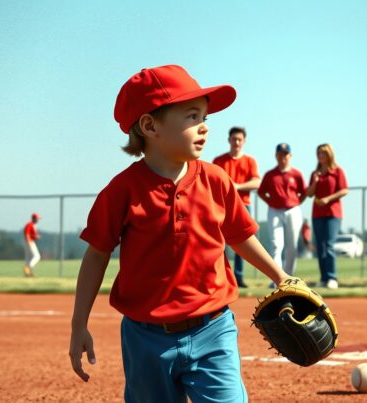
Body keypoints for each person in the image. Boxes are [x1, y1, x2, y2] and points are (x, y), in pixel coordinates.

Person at [68, 65, 294, 402]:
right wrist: (78, 325)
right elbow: (97, 254)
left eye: (204, 117)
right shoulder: (122, 191)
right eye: (192, 116)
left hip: (213, 329)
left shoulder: (216, 180)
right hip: (146, 339)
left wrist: (281, 276)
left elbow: (239, 235)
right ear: (149, 125)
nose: (204, 127)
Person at [213, 126, 261, 288]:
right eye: (234, 139)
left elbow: (256, 182)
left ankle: (239, 277)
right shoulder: (219, 161)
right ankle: (224, 277)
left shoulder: (250, 161)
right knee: (221, 243)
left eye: (240, 139)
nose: (237, 142)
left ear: (244, 141)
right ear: (229, 140)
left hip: (243, 206)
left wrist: (237, 187)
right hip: (221, 206)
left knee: (243, 243)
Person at [258, 143, 306, 279]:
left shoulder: (296, 174)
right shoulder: (270, 174)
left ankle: (288, 277)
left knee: (292, 247)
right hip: (275, 211)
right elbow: (261, 192)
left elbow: (303, 192)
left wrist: (296, 203)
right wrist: (270, 202)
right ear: (276, 155)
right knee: (276, 245)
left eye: (285, 154)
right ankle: (277, 279)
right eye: (280, 154)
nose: (282, 157)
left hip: (293, 211)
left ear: (290, 156)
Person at [305, 143, 348, 289]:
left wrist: (328, 199)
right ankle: (323, 278)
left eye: (323, 153)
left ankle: (332, 277)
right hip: (317, 214)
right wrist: (315, 182)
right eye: (318, 153)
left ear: (329, 154)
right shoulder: (315, 173)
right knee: (320, 246)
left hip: (333, 214)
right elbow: (309, 194)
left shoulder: (337, 171)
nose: (320, 156)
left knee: (329, 245)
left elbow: (344, 190)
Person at [23, 213, 41, 277]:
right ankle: (29, 268)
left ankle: (28, 273)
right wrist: (29, 242)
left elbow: (30, 235)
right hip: (29, 242)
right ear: (34, 218)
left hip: (29, 241)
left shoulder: (32, 225)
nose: (38, 220)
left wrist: (36, 237)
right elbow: (26, 234)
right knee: (37, 256)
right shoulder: (29, 224)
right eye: (37, 219)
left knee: (28, 258)